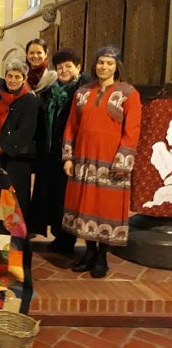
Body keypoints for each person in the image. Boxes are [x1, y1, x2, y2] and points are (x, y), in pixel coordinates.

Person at [62, 46, 141, 278]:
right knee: (84, 208)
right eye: (100, 62)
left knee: (104, 208)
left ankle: (101, 257)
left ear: (117, 67)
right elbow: (71, 127)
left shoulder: (129, 93)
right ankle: (88, 253)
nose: (103, 67)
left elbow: (133, 129)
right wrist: (68, 157)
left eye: (108, 63)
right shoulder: (82, 92)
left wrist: (122, 161)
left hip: (110, 162)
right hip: (83, 160)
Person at [29, 49, 91, 254]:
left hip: (71, 155)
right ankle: (58, 235)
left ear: (78, 67)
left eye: (68, 66)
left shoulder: (84, 90)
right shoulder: (50, 90)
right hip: (49, 155)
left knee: (67, 198)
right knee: (52, 197)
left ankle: (68, 238)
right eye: (60, 67)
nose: (64, 70)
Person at [0, 60, 38, 222]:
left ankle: (15, 237)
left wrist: (4, 147)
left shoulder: (30, 100)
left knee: (14, 198)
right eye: (9, 76)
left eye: (17, 77)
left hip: (17, 157)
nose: (12, 80)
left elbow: (26, 130)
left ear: (24, 78)